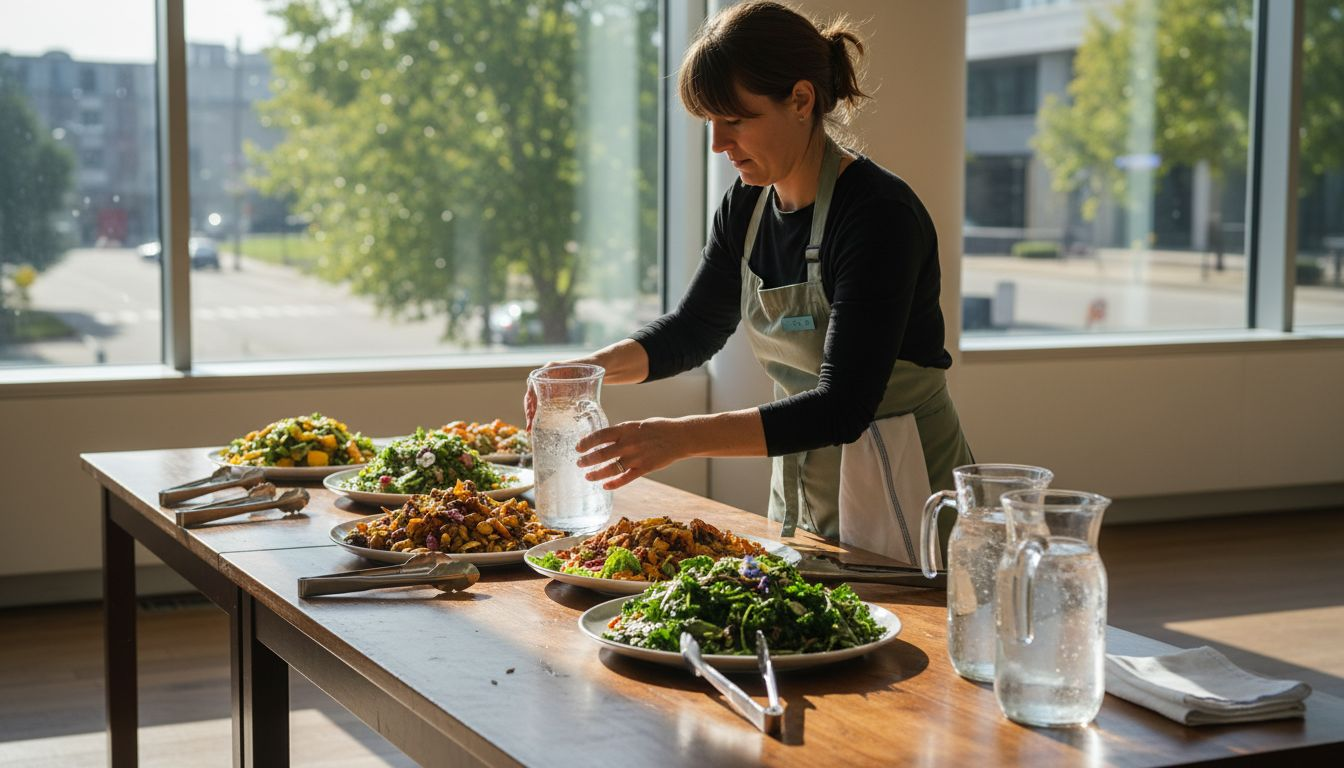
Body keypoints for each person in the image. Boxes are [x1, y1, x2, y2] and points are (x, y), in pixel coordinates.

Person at [525, 0, 972, 565]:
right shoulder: (748, 204)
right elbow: (695, 329)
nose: (717, 144)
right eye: (709, 122)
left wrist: (677, 438)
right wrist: (586, 371)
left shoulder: (878, 215)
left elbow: (843, 406)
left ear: (801, 100)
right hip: (805, 478)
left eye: (734, 120)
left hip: (902, 482)